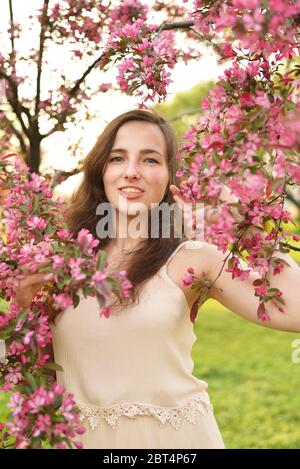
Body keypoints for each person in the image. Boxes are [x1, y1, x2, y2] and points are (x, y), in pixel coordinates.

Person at [12, 109, 300, 449]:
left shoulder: (194, 259)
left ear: (168, 175)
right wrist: (23, 305)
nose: (131, 172)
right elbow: (33, 376)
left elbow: (293, 311)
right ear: (101, 170)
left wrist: (248, 225)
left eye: (150, 160)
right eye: (118, 158)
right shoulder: (57, 260)